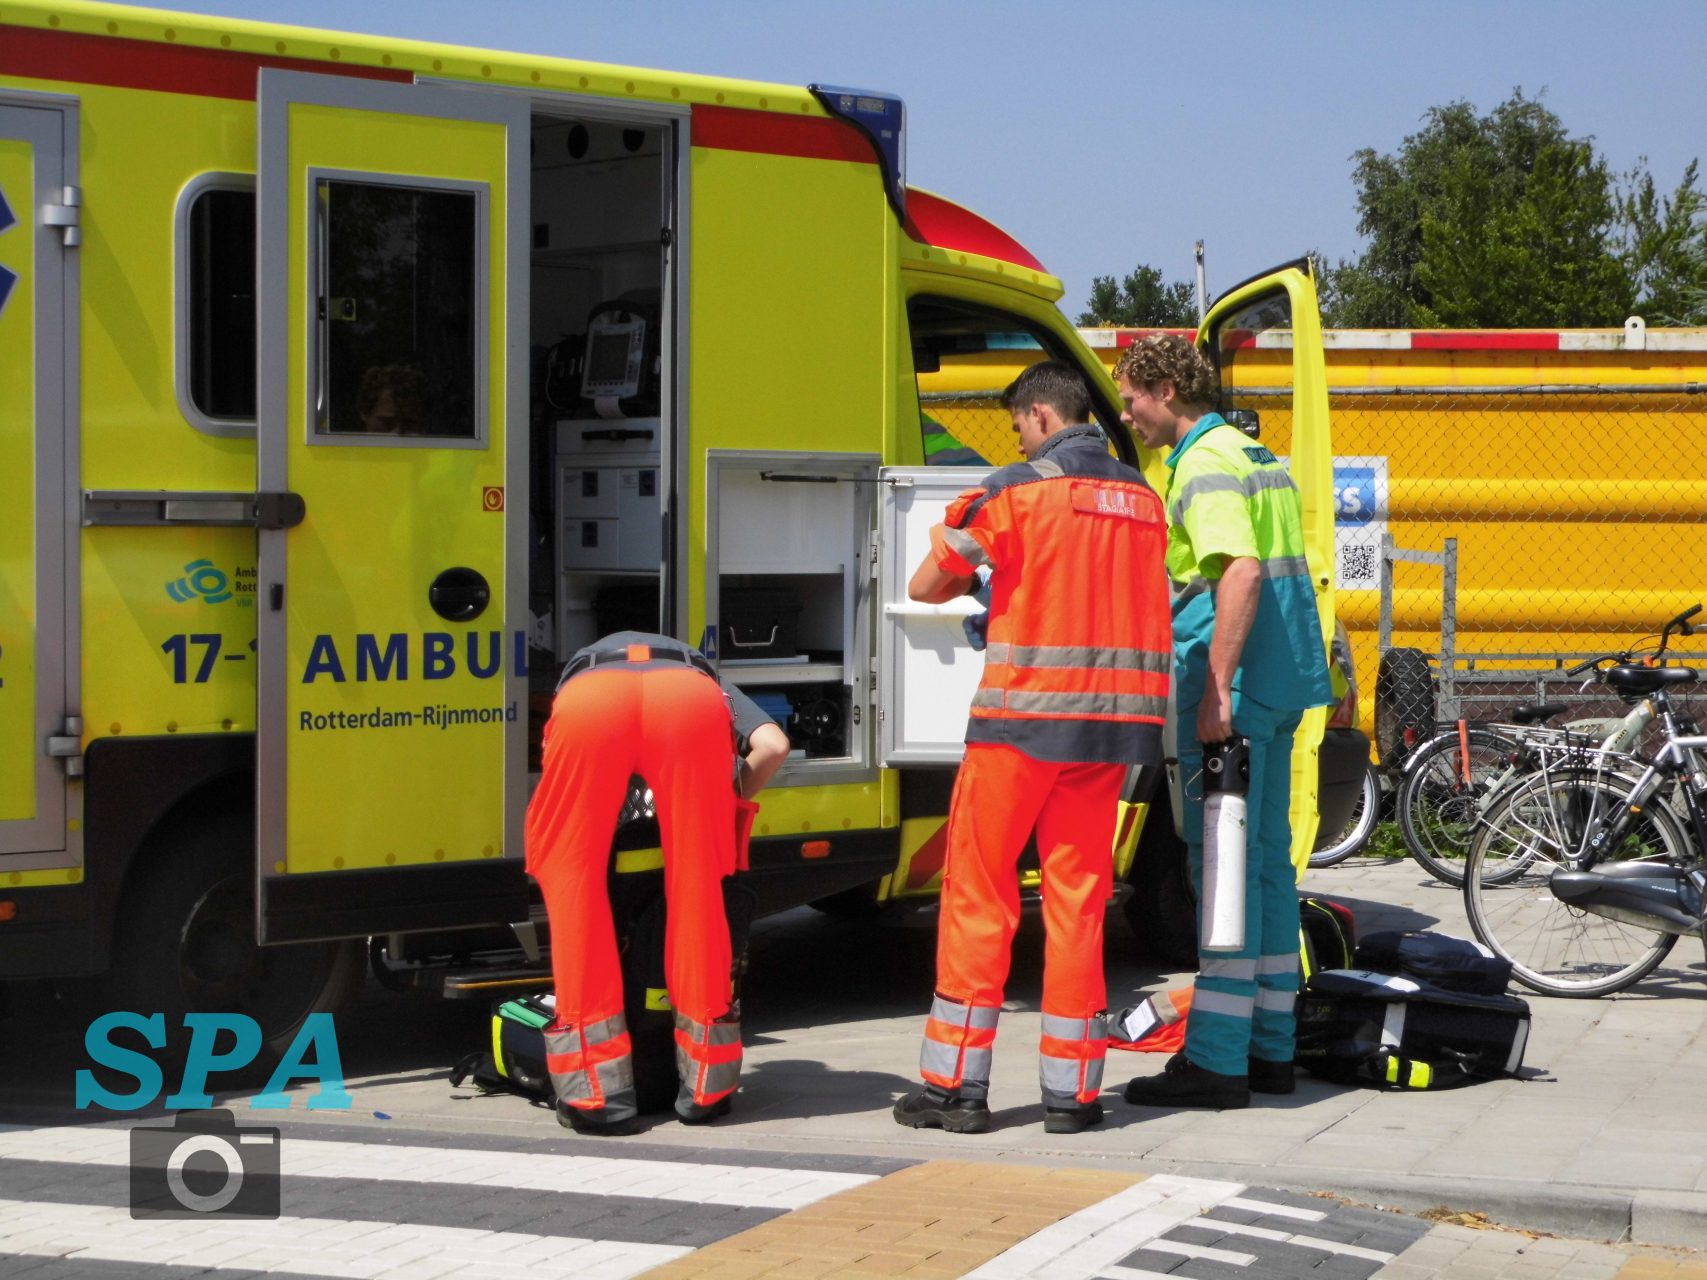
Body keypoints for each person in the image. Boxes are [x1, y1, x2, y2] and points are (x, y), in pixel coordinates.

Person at [892, 360, 1172, 1136]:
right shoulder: (1142, 500)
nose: (1016, 438)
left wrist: (981, 576)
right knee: (1077, 904)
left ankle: (955, 1090)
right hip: (1109, 734)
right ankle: (1071, 1096)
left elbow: (926, 584)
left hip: (1018, 728)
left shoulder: (1015, 489)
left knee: (978, 896)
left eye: (1018, 423)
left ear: (1041, 417)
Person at [1112, 334, 1332, 1110]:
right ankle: (1270, 1048)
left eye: (1130, 399)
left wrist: (1212, 689)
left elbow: (1237, 569)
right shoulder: (1249, 451)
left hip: (1233, 692)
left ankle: (1215, 1061)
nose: (1126, 415)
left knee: (1223, 872)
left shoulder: (1202, 464)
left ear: (1165, 390)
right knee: (1266, 868)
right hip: (1281, 681)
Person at [524, 631, 789, 1135]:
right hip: (688, 707)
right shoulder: (698, 674)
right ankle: (706, 1091)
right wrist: (720, 803)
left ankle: (597, 1098)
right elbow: (773, 746)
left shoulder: (583, 670)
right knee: (699, 898)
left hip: (589, 705)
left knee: (574, 889)